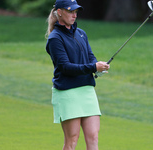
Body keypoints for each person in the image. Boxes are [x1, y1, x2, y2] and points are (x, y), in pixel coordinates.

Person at [45, 0, 110, 149]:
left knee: (93, 137)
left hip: (86, 90)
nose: (74, 15)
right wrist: (93, 67)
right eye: (70, 11)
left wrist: (98, 67)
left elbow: (90, 56)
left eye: (76, 12)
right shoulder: (55, 38)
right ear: (59, 12)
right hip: (67, 92)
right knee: (72, 140)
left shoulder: (81, 33)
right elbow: (66, 67)